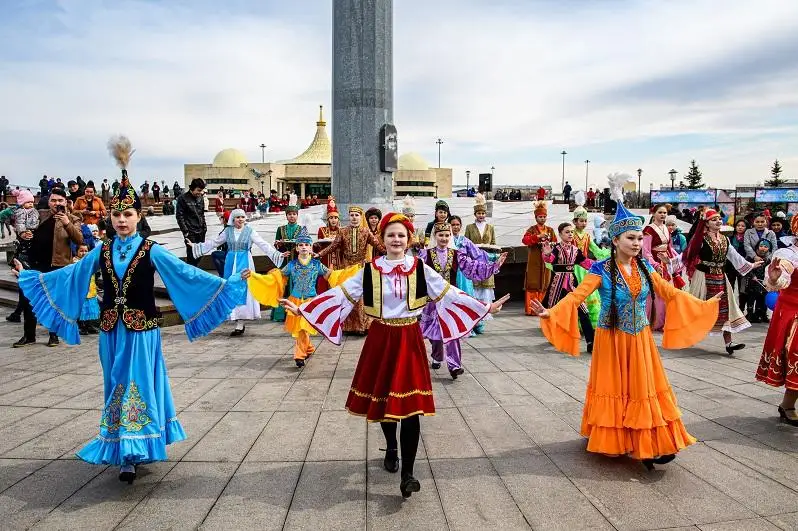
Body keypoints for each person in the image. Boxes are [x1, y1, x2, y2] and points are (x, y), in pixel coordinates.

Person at [14, 155, 248, 484]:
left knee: (136, 387)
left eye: (128, 214)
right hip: (111, 332)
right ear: (109, 217)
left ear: (139, 216)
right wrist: (33, 277)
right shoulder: (102, 250)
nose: (121, 220)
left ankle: (131, 453)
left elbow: (185, 275)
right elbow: (72, 274)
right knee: (116, 387)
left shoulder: (152, 249)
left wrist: (228, 284)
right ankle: (122, 444)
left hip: (141, 332)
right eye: (116, 214)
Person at [280, 212, 510, 497]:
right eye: (391, 235)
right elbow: (340, 295)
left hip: (409, 337)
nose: (396, 239)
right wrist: (304, 308)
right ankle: (391, 446)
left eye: (401, 235)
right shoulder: (370, 269)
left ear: (408, 238)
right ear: (383, 240)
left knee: (411, 407)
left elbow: (448, 294)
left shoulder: (420, 268)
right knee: (386, 399)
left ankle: (408, 474)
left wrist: (483, 307)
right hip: (380, 337)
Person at [529, 175, 723, 470]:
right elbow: (576, 296)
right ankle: (618, 439)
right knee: (616, 388)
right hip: (611, 338)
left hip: (640, 338)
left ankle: (649, 443)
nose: (636, 243)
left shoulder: (645, 267)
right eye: (630, 238)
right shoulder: (601, 268)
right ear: (615, 240)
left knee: (643, 389)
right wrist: (550, 312)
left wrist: (704, 303)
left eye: (638, 238)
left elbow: (670, 293)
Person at [248, 227, 358, 367]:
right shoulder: (292, 265)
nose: (304, 247)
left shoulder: (316, 265)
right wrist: (255, 276)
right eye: (301, 245)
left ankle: (299, 355)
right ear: (297, 248)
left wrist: (353, 272)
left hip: (311, 300)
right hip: (295, 300)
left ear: (311, 247)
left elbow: (333, 276)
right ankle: (308, 348)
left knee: (303, 328)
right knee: (301, 328)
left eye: (306, 244)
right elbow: (275, 278)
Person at [421, 221, 506, 378]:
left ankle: (454, 366)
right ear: (435, 236)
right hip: (432, 301)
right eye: (441, 235)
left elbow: (473, 267)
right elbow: (416, 272)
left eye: (447, 235)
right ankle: (437, 356)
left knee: (452, 332)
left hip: (450, 299)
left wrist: (494, 265)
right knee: (435, 336)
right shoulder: (425, 254)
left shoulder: (456, 254)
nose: (444, 238)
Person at [189, 208, 286, 336]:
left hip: (245, 262)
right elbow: (214, 242)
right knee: (231, 288)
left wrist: (278, 254)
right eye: (238, 217)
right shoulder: (227, 231)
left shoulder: (250, 231)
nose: (241, 219)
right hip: (230, 262)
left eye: (243, 217)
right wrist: (197, 246)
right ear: (233, 219)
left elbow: (263, 244)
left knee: (243, 290)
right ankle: (234, 317)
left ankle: (240, 322)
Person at [683, 208, 762, 355]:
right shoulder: (700, 239)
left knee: (725, 310)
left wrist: (750, 265)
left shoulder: (725, 239)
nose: (718, 221)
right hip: (703, 278)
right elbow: (687, 254)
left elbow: (734, 256)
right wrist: (670, 263)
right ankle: (684, 335)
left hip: (720, 278)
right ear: (706, 223)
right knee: (698, 308)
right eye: (714, 219)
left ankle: (729, 343)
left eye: (719, 218)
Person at [13, 187, 83, 348]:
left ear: (66, 202)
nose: (56, 203)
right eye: (53, 200)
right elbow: (23, 228)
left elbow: (79, 239)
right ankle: (29, 335)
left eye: (60, 200)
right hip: (33, 263)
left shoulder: (73, 218)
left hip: (56, 265)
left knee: (53, 301)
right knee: (28, 298)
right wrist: (23, 234)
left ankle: (54, 335)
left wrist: (66, 223)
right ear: (49, 201)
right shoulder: (39, 215)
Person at [316, 205, 384, 333]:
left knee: (361, 297)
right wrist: (319, 254)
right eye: (351, 215)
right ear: (348, 217)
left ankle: (362, 325)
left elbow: (378, 246)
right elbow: (333, 246)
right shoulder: (343, 231)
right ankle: (348, 326)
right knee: (347, 295)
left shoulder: (365, 231)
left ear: (361, 217)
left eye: (356, 215)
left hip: (361, 268)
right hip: (346, 268)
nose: (354, 218)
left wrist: (392, 252)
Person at [757, 218, 798, 426]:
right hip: (793, 311)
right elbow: (783, 275)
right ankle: (788, 405)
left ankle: (787, 405)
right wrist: (775, 278)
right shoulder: (788, 255)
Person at [541, 222, 595, 353]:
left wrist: (602, 264)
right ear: (560, 234)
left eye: (571, 232)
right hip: (557, 283)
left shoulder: (576, 250)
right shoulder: (556, 248)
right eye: (567, 232)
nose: (570, 234)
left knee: (583, 311)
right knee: (552, 311)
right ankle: (553, 336)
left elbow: (586, 263)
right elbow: (549, 259)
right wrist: (547, 254)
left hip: (571, 283)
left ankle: (591, 342)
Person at [643, 204, 687, 331]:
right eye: (660, 212)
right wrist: (655, 264)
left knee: (667, 291)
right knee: (655, 293)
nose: (663, 215)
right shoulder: (648, 229)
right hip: (654, 263)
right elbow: (645, 251)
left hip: (666, 262)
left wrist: (676, 260)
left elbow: (669, 247)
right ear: (654, 214)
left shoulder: (666, 229)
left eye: (665, 213)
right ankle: (655, 321)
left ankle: (666, 320)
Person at [463, 193, 500, 333]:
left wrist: (494, 258)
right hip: (474, 260)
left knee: (485, 289)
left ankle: (483, 319)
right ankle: (475, 319)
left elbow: (494, 243)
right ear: (475, 214)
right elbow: (466, 243)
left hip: (487, 259)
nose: (481, 215)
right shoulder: (469, 227)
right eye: (479, 213)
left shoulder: (490, 227)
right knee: (475, 288)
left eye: (483, 213)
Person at [572, 195, 609, 327]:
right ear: (574, 222)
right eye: (581, 221)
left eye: (585, 221)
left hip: (586, 268)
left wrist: (609, 252)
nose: (583, 223)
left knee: (591, 295)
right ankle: (576, 324)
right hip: (574, 268)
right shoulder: (571, 234)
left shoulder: (587, 236)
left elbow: (597, 251)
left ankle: (591, 324)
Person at [271, 197, 304, 323]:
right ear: (286, 216)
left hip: (297, 260)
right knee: (283, 285)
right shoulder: (281, 229)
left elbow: (305, 243)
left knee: (296, 283)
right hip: (284, 260)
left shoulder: (301, 229)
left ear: (297, 216)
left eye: (294, 214)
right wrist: (279, 244)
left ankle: (295, 312)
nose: (292, 217)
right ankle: (280, 314)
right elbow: (276, 244)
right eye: (289, 214)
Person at [522, 200, 557, 315]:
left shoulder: (550, 230)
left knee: (545, 283)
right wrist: (537, 237)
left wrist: (550, 245)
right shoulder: (532, 229)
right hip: (534, 261)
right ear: (536, 217)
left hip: (546, 262)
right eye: (540, 216)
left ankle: (543, 308)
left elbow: (555, 243)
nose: (542, 218)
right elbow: (525, 240)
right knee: (533, 283)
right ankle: (531, 309)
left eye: (544, 216)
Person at [176, 178, 207, 267]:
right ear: (192, 188)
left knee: (200, 253)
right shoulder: (182, 198)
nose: (200, 193)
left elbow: (202, 214)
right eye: (198, 190)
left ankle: (193, 272)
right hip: (190, 232)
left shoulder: (200, 198)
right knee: (192, 256)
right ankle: (191, 276)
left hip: (201, 231)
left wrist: (204, 227)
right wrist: (185, 232)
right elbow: (179, 216)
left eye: (201, 191)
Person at [316, 198, 341, 293]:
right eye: (331, 218)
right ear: (328, 219)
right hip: (325, 260)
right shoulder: (322, 230)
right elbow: (318, 246)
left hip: (338, 261)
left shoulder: (342, 231)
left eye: (335, 217)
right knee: (324, 283)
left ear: (338, 219)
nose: (333, 220)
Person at [73, 243, 100, 335]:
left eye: (86, 251)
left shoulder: (90, 261)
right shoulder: (75, 262)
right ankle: (82, 327)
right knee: (82, 309)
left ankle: (90, 326)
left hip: (91, 288)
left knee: (90, 308)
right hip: (80, 290)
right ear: (76, 252)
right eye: (81, 251)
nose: (84, 253)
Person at [745, 239, 772, 323]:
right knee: (751, 298)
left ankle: (760, 314)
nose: (763, 248)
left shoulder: (768, 260)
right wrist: (753, 276)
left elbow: (770, 270)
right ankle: (749, 315)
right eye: (761, 246)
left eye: (766, 247)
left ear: (769, 249)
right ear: (757, 247)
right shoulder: (751, 257)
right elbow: (747, 268)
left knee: (762, 298)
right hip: (752, 282)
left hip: (763, 282)